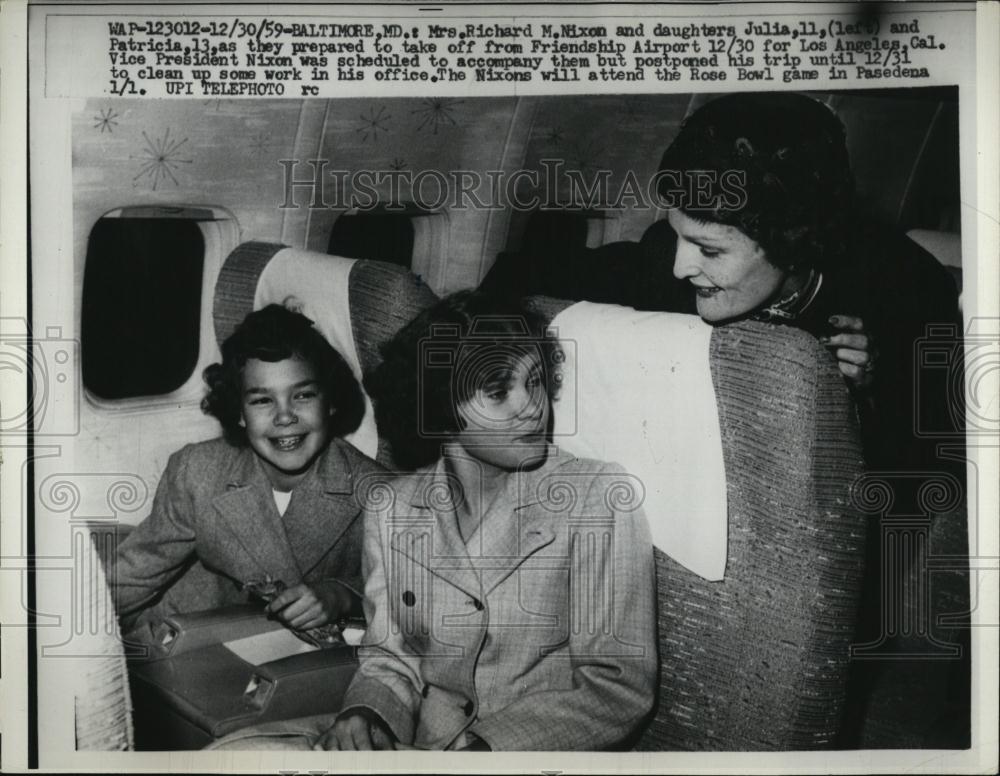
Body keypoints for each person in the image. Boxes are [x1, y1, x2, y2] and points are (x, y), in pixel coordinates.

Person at [316, 291, 658, 751]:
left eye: (535, 382)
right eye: (499, 392)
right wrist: (367, 714)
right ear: (440, 408)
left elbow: (615, 685)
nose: (531, 406)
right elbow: (391, 658)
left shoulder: (597, 497)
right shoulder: (392, 508)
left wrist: (486, 752)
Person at [655, 92, 962, 472]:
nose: (679, 268)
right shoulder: (667, 251)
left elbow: (936, 469)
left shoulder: (910, 291)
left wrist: (870, 396)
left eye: (710, 251)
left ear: (790, 240)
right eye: (676, 236)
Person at [112, 304, 385, 642]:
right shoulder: (197, 472)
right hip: (187, 633)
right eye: (262, 401)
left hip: (297, 656)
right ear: (239, 412)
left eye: (303, 395)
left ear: (330, 402)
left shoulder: (379, 495)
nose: (284, 417)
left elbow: (410, 596)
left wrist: (342, 596)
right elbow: (133, 574)